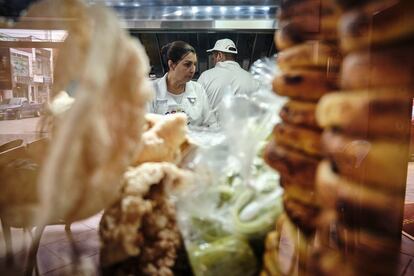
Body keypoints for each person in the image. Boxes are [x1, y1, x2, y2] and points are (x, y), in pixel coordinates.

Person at [149, 41, 216, 128]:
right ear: (172, 64)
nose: (193, 70)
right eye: (187, 64)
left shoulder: (198, 89)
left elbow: (211, 123)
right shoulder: (151, 91)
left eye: (194, 64)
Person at [198, 38, 261, 123]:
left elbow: (196, 109)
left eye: (213, 58)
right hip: (241, 135)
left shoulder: (205, 76)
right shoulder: (253, 80)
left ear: (219, 55)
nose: (213, 61)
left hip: (211, 134)